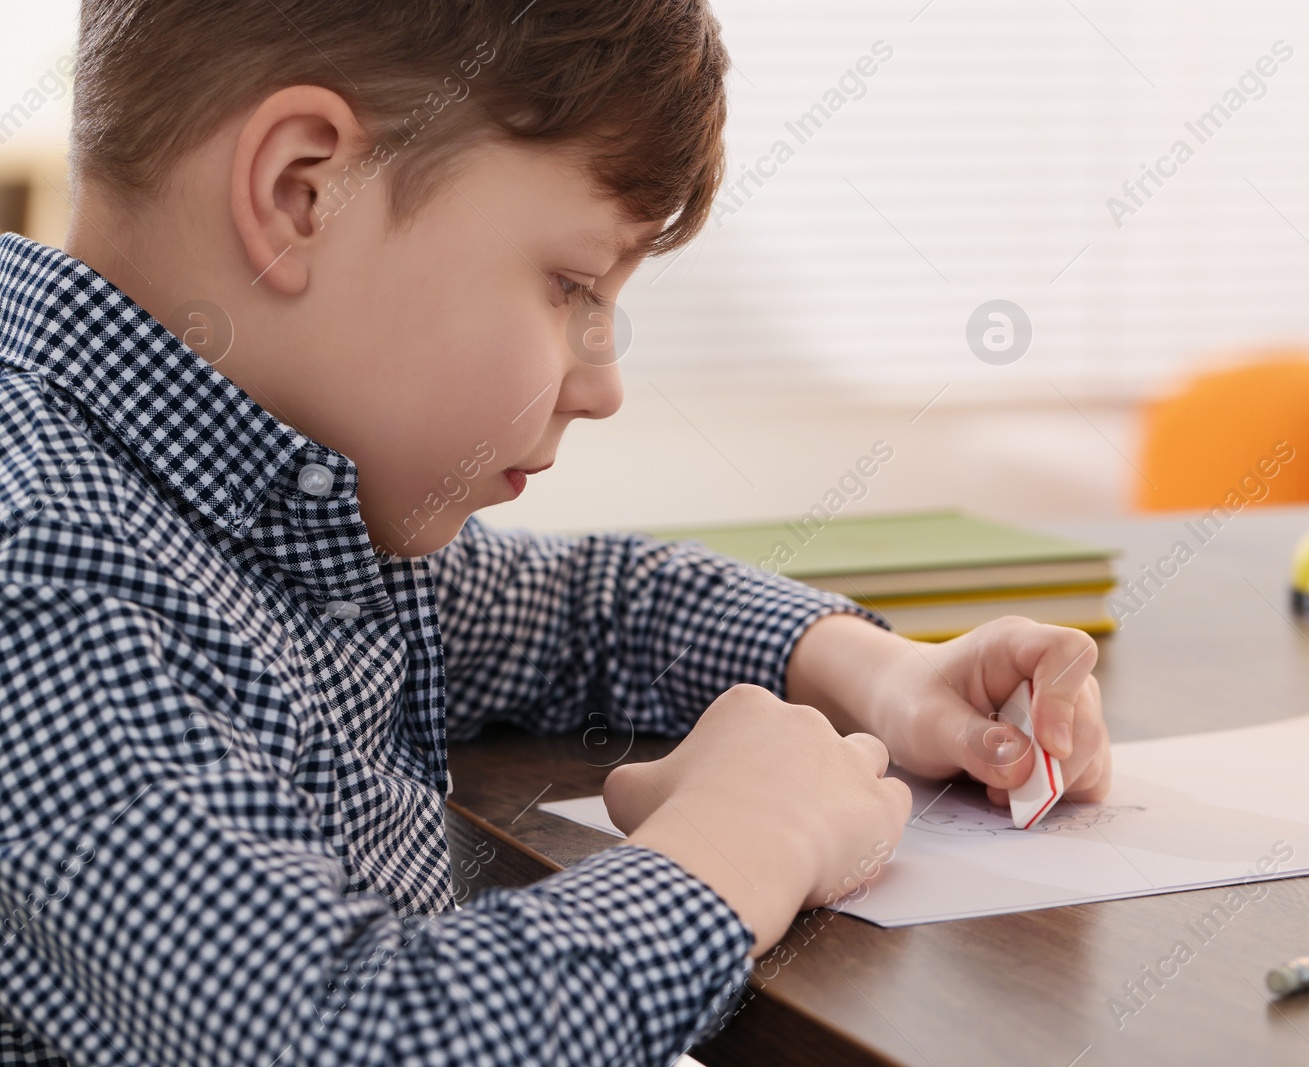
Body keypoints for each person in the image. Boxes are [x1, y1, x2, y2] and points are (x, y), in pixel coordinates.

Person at [0, 1, 1110, 1063]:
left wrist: (876, 674)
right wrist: (733, 850)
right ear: (305, 191)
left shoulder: (253, 499)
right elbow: (344, 1033)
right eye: (569, 284)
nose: (603, 384)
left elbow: (593, 606)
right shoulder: (47, 573)